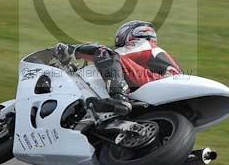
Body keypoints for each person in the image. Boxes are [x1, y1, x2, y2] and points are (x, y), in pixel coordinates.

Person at [53, 20, 181, 116]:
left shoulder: (144, 43)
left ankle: (119, 97)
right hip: (164, 86)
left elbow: (111, 54)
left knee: (104, 52)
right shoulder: (148, 55)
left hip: (160, 80)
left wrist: (72, 50)